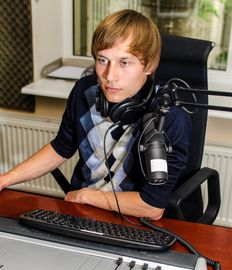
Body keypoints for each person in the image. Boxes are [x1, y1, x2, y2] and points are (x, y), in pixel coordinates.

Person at [0, 9, 192, 220]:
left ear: (149, 65)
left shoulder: (170, 116)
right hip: (82, 211)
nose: (110, 76)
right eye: (102, 60)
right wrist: (6, 179)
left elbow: (152, 208)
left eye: (124, 62)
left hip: (133, 219)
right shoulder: (84, 91)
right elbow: (61, 148)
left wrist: (88, 196)